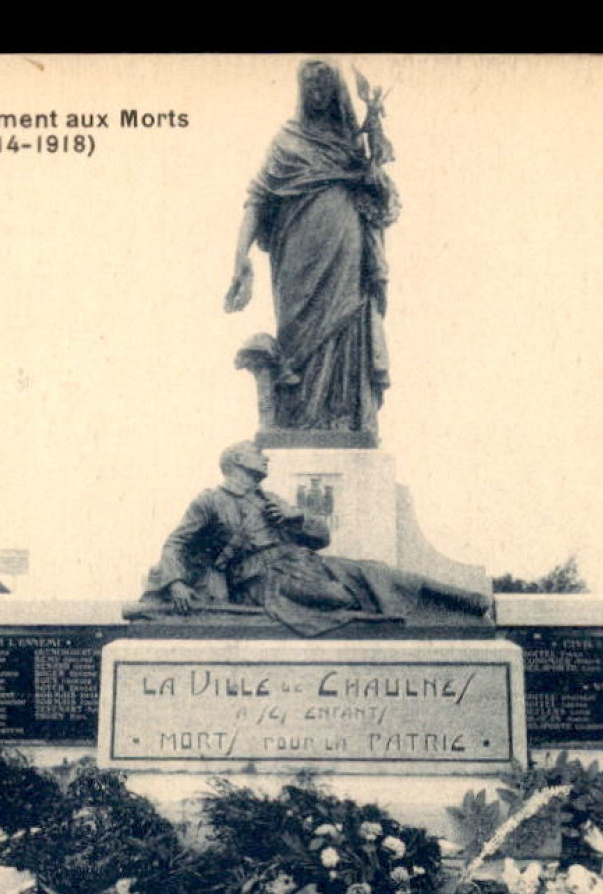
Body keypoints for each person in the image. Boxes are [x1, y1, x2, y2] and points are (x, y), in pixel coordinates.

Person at [143, 442, 489, 637]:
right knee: (337, 596)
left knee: (380, 573)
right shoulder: (210, 500)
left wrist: (299, 517)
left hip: (307, 563)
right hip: (264, 579)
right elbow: (175, 544)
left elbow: (321, 538)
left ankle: (467, 605)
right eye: (255, 452)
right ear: (236, 462)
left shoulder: (270, 499)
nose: (264, 456)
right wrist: (174, 584)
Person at [225, 60, 399, 436]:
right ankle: (299, 415)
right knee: (295, 330)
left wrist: (374, 147)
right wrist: (239, 257)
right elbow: (257, 197)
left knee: (344, 319)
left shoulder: (352, 142)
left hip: (343, 239)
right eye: (310, 85)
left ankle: (341, 417)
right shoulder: (286, 140)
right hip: (296, 248)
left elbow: (376, 184)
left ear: (336, 90)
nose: (318, 93)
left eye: (325, 85)